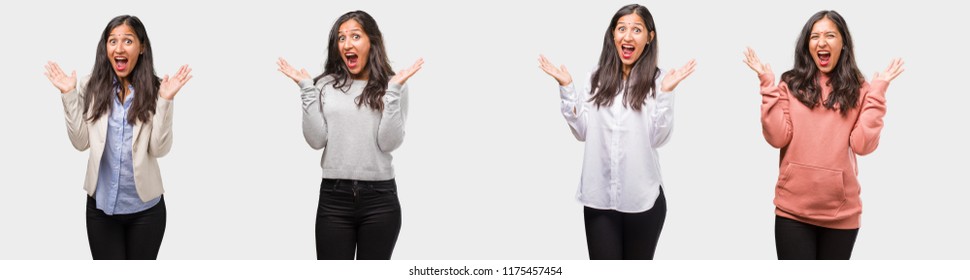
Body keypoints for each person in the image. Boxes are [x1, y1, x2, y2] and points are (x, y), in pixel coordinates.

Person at [538, 4, 695, 260]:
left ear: (649, 37)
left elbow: (659, 138)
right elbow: (582, 132)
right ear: (613, 35)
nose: (628, 36)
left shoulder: (660, 81)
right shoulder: (596, 79)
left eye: (636, 29)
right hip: (599, 199)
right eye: (621, 28)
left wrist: (666, 94)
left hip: (643, 201)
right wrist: (566, 87)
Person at [743, 10, 904, 260]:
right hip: (792, 212)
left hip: (842, 215)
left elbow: (862, 145)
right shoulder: (790, 84)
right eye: (815, 36)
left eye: (830, 35)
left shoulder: (859, 89)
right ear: (807, 45)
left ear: (843, 44)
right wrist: (767, 85)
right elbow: (777, 137)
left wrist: (878, 93)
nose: (822, 42)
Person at [43, 15, 192, 260]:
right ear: (106, 48)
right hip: (101, 211)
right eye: (112, 41)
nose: (119, 48)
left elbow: (159, 149)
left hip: (146, 212)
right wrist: (69, 95)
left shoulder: (157, 90)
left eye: (128, 41)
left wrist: (166, 101)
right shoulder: (90, 86)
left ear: (142, 47)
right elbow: (81, 142)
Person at [277, 10, 423, 260]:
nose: (346, 44)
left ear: (372, 41)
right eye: (341, 38)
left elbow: (389, 143)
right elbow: (316, 141)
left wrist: (394, 90)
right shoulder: (324, 85)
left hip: (380, 200)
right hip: (334, 199)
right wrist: (306, 90)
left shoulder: (394, 84)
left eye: (355, 36)